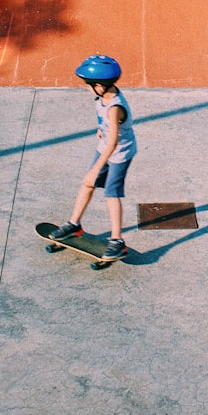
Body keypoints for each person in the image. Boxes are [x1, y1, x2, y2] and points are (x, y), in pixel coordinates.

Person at [49, 55, 137, 261]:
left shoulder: (115, 108)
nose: (86, 88)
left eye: (88, 85)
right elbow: (107, 128)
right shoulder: (103, 97)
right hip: (105, 146)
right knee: (86, 184)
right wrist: (101, 129)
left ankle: (117, 241)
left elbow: (114, 141)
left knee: (111, 193)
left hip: (119, 153)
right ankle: (73, 225)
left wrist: (96, 169)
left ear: (99, 85)